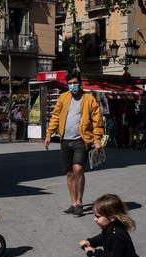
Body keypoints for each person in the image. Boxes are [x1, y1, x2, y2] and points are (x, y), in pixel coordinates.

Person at [44, 70, 104, 217]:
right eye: (70, 84)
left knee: (78, 169)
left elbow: (98, 121)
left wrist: (97, 140)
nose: (72, 86)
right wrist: (49, 133)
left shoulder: (89, 99)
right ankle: (73, 203)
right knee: (70, 173)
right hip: (65, 140)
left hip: (81, 140)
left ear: (80, 83)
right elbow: (55, 116)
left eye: (75, 83)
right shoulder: (63, 97)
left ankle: (79, 202)